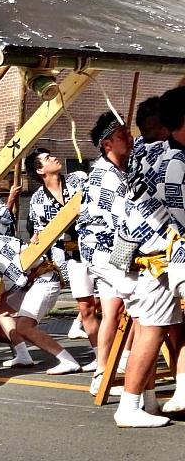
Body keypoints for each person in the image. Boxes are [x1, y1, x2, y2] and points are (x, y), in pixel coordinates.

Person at [111, 86, 185, 428]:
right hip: (157, 257)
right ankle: (128, 406)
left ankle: (149, 401)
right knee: (153, 330)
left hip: (134, 254)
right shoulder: (172, 158)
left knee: (148, 328)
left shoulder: (139, 152)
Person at [0, 216, 81, 374]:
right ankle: (23, 355)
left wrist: (0, 292)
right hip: (30, 284)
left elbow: (18, 278)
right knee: (1, 312)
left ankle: (68, 361)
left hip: (43, 280)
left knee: (24, 326)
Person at [76, 112, 134, 396]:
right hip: (103, 250)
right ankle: (124, 365)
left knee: (113, 310)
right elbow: (122, 220)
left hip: (111, 249)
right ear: (108, 143)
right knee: (139, 300)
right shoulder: (105, 176)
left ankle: (103, 371)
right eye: (123, 135)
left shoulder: (120, 169)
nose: (130, 138)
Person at [25, 148, 87, 352]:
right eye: (47, 158)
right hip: (67, 256)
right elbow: (38, 232)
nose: (54, 158)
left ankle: (81, 328)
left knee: (104, 300)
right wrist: (36, 238)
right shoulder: (37, 200)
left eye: (51, 155)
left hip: (94, 246)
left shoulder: (78, 180)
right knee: (87, 303)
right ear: (40, 170)